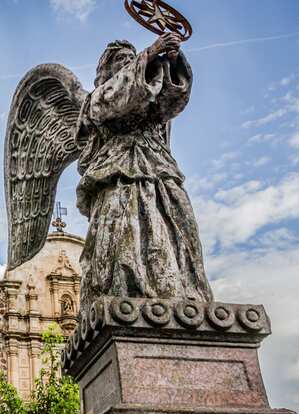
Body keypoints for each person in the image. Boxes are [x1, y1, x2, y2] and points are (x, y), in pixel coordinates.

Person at [75, 32, 214, 303]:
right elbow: (116, 98)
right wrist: (149, 53)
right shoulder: (96, 99)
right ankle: (125, 294)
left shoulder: (151, 100)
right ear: (108, 69)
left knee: (181, 227)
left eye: (132, 58)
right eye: (122, 61)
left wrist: (173, 61)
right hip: (118, 173)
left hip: (159, 170)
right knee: (124, 235)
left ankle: (183, 291)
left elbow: (170, 102)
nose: (131, 62)